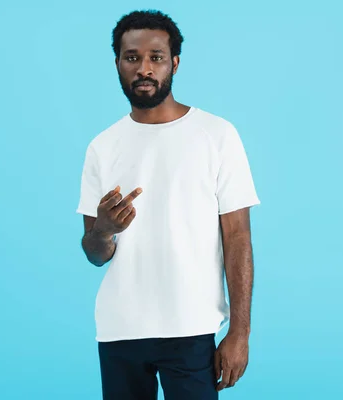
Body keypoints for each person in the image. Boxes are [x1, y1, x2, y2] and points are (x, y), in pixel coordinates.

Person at [76, 9, 260, 400]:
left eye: (156, 57)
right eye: (132, 58)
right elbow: (94, 253)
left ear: (174, 63)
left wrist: (239, 331)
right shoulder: (102, 147)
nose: (144, 68)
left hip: (191, 328)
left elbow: (238, 236)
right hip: (119, 329)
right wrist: (105, 230)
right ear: (118, 64)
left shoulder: (216, 135)